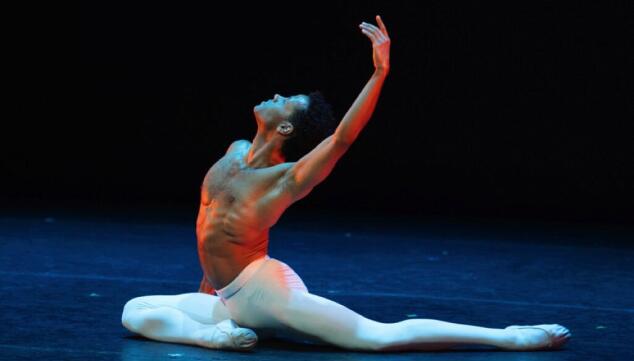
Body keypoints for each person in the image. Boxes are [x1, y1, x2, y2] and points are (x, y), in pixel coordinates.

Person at [121, 15, 572, 352]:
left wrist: (378, 74)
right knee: (134, 310)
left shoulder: (283, 179)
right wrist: (208, 279)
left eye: (286, 101)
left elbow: (340, 140)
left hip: (263, 290)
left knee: (374, 338)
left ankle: (512, 337)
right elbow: (213, 225)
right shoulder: (234, 150)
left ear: (284, 131)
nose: (276, 95)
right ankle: (216, 337)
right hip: (229, 297)